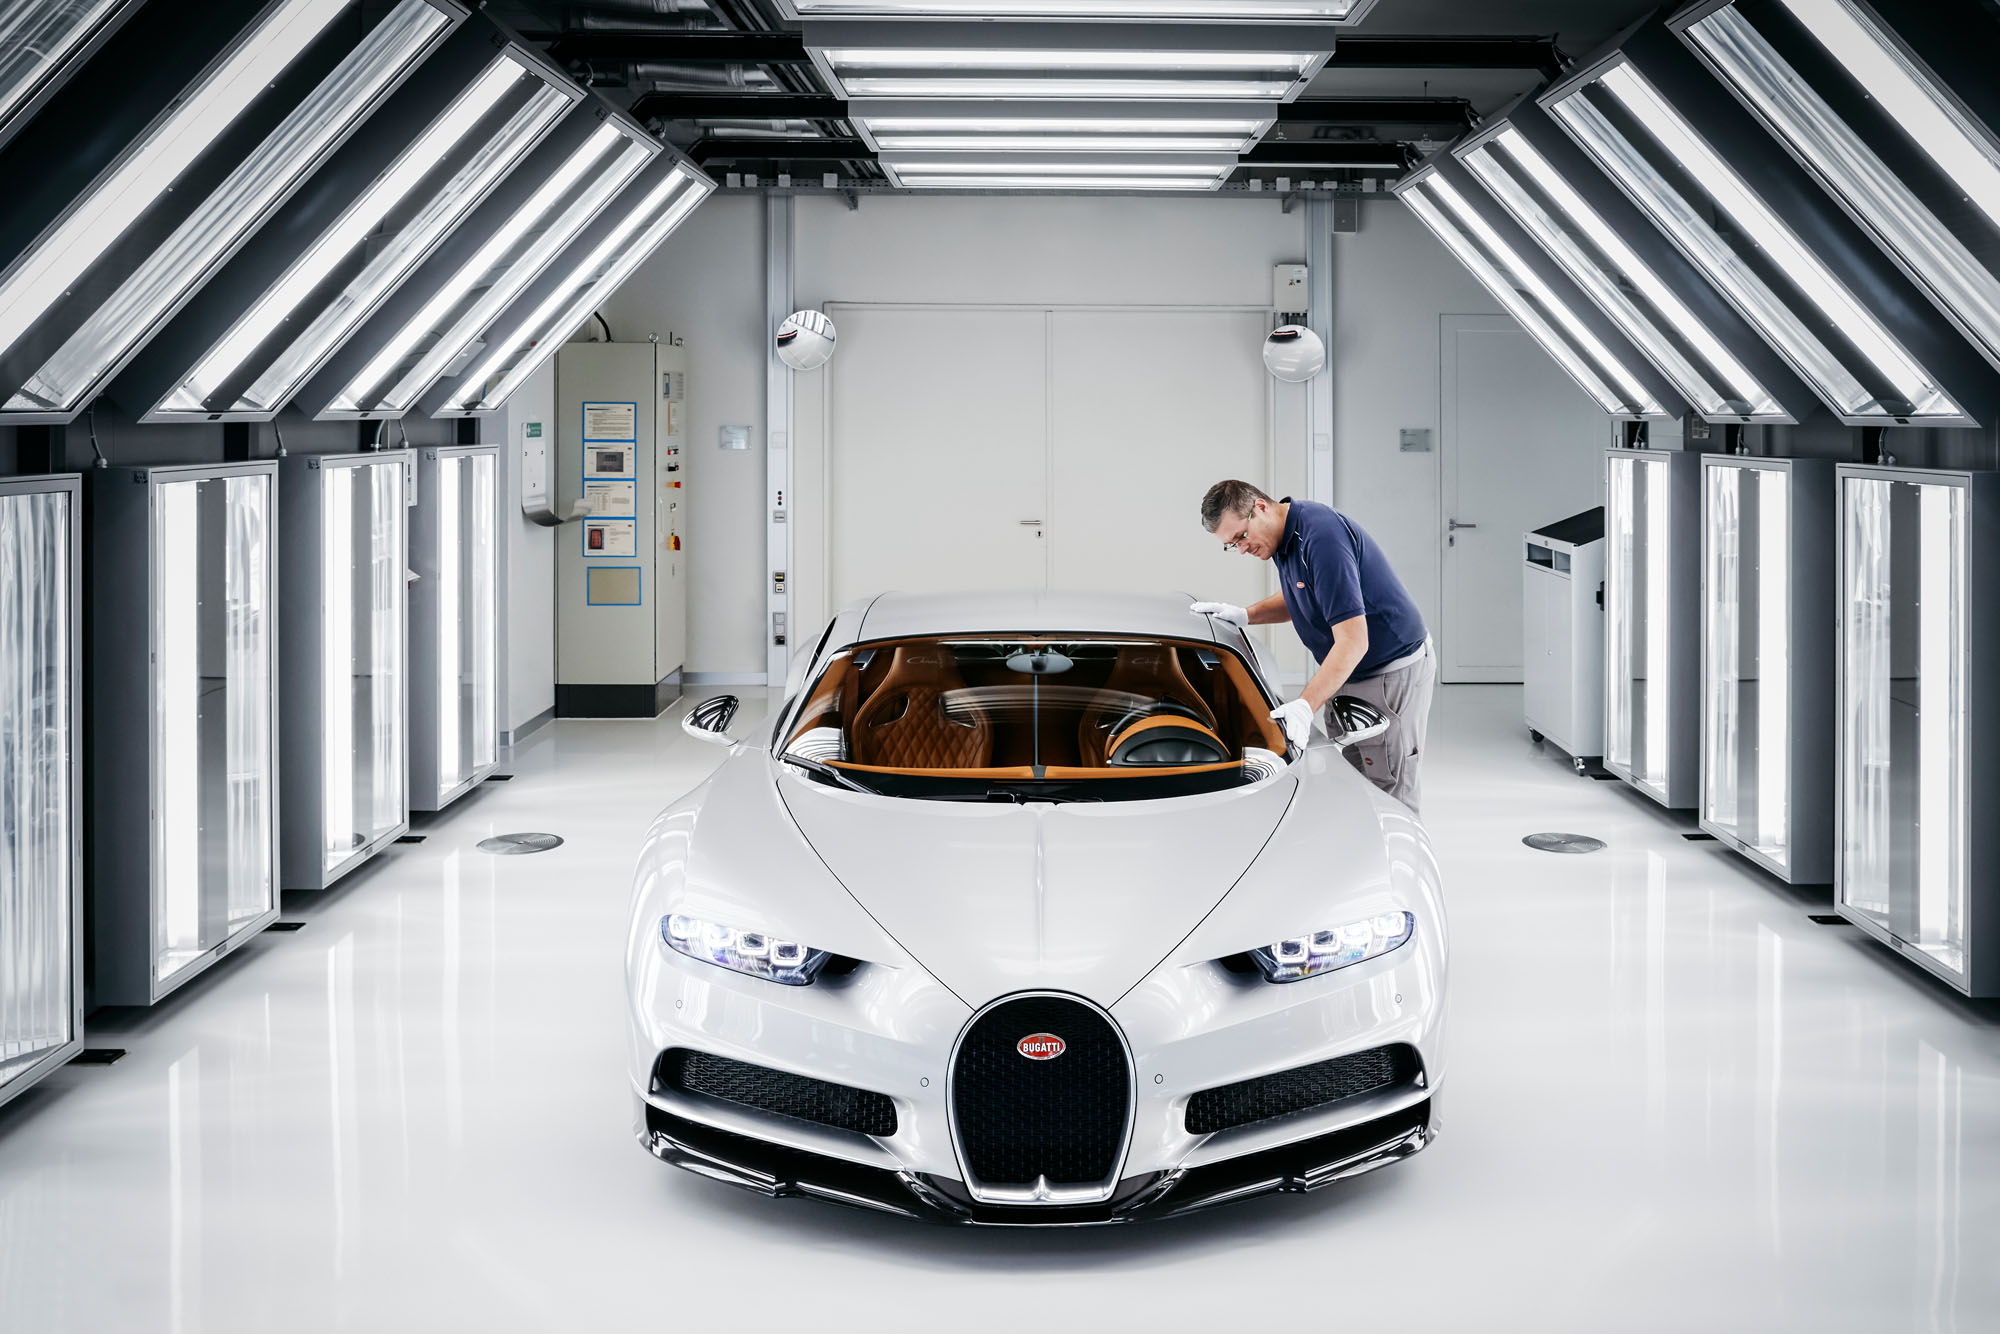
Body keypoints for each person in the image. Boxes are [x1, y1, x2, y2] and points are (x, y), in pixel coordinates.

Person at [1193, 480, 1436, 811]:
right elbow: (1302, 593)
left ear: (1260, 508)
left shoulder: (1321, 537)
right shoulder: (1284, 540)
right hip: (1346, 669)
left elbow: (1354, 640)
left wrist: (1305, 705)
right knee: (1355, 782)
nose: (1242, 549)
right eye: (1232, 545)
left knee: (1388, 788)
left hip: (1388, 670)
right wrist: (1246, 615)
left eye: (1241, 536)